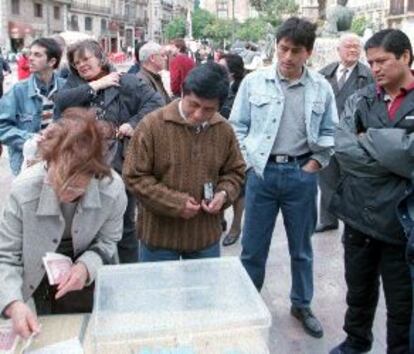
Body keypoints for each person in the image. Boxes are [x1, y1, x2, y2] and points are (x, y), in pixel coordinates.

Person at [229, 17, 338, 339]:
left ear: (309, 52)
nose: (288, 57)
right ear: (276, 47)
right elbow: (237, 126)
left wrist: (316, 163)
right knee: (252, 248)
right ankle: (248, 306)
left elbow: (330, 131)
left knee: (301, 249)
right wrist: (250, 163)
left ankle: (301, 304)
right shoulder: (254, 82)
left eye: (296, 51)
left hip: (301, 175)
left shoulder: (320, 87)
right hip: (261, 175)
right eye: (283, 49)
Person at [0, 109, 127, 338]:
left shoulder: (113, 189)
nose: (62, 193)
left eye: (74, 188)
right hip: (36, 274)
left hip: (87, 275)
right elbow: (6, 255)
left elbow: (109, 240)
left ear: (95, 174)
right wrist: (12, 303)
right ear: (48, 163)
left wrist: (85, 267)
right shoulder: (24, 189)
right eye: (56, 183)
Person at [329, 29, 414, 354]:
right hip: (359, 212)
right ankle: (356, 341)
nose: (375, 68)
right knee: (358, 290)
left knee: (401, 301)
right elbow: (343, 147)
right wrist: (395, 161)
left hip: (401, 221)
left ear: (405, 56)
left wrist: (370, 137)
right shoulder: (361, 98)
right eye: (371, 62)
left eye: (382, 61)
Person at [54, 39, 163, 264]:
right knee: (82, 227)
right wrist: (96, 85)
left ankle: (129, 276)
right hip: (80, 168)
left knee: (125, 225)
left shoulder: (127, 82)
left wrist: (134, 123)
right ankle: (89, 275)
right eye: (77, 62)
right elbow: (60, 102)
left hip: (120, 164)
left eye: (86, 59)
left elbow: (156, 102)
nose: (82, 65)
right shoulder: (73, 86)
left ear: (100, 58)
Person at [123, 63, 245, 262]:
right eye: (193, 105)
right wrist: (175, 203)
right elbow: (134, 176)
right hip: (158, 239)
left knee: (203, 293)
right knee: (160, 293)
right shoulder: (152, 125)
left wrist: (223, 194)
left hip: (204, 238)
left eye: (208, 109)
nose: (198, 114)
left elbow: (235, 172)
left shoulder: (223, 129)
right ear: (183, 93)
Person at [316, 33, 374, 233]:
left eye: (357, 47)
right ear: (338, 50)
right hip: (328, 136)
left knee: (355, 180)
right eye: (348, 46)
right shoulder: (325, 73)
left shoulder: (368, 76)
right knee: (327, 179)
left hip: (353, 137)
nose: (353, 50)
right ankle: (327, 218)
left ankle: (356, 221)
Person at [0, 37, 65, 175]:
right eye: (30, 53)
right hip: (27, 164)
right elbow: (2, 127)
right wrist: (31, 139)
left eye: (37, 55)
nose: (30, 58)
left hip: (60, 161)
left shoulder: (66, 88)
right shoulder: (17, 91)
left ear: (52, 61)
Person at [218, 53, 246, 247]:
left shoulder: (243, 90)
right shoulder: (218, 87)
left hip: (238, 145)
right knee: (215, 182)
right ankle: (218, 219)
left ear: (233, 72)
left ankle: (236, 226)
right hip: (216, 143)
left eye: (222, 67)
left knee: (239, 189)